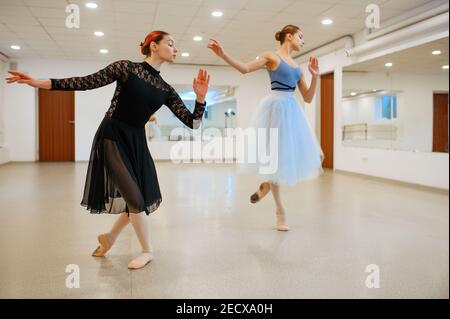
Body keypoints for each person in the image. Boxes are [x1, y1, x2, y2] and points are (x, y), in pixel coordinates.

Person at [6, 30, 210, 269]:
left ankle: (109, 238)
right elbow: (84, 82)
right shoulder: (126, 68)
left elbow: (193, 123)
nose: (176, 49)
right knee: (134, 198)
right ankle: (147, 250)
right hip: (112, 136)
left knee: (139, 198)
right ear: (153, 46)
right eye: (171, 43)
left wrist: (201, 98)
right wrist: (38, 82)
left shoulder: (166, 89)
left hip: (137, 142)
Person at [208, 24, 323, 231]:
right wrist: (223, 54)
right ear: (289, 36)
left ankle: (266, 186)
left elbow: (307, 97)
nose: (303, 41)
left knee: (282, 159)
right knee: (273, 160)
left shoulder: (298, 68)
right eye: (300, 36)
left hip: (292, 112)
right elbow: (245, 69)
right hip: (274, 110)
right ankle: (280, 211)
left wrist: (315, 76)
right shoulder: (271, 56)